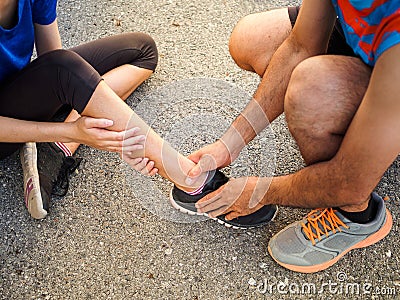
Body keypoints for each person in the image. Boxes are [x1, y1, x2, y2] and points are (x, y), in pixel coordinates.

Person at [149, 0, 399, 273]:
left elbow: (350, 182)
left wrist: (261, 192)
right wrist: (230, 143)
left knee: (313, 91)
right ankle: (368, 133)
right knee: (252, 38)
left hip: (393, 66)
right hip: (378, 48)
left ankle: (357, 216)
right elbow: (299, 47)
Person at [0, 0, 277, 229]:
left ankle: (57, 149)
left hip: (16, 88)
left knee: (141, 50)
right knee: (65, 71)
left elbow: (54, 66)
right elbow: (60, 72)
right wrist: (68, 129)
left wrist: (108, 128)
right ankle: (191, 181)